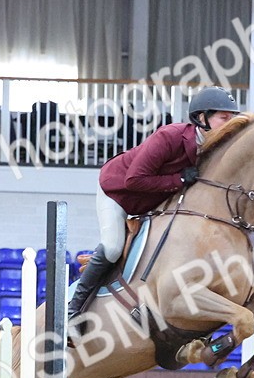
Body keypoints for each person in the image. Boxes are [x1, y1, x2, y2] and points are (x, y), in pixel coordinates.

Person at [67, 86, 242, 321]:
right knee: (113, 247)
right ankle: (73, 308)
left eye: (232, 118)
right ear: (202, 118)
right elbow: (134, 180)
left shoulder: (215, 151)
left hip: (154, 202)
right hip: (118, 191)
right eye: (224, 118)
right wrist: (178, 179)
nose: (230, 124)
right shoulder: (169, 136)